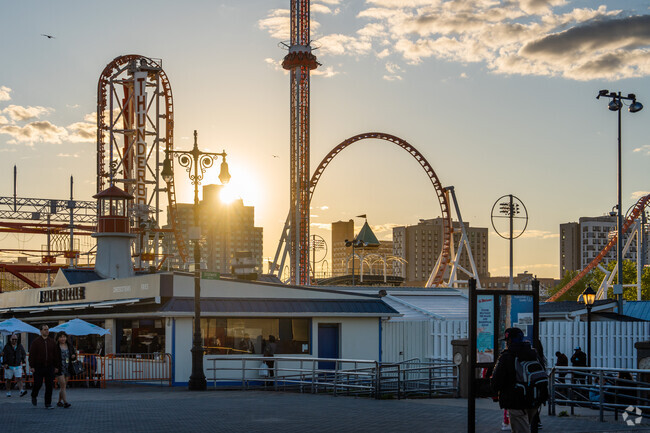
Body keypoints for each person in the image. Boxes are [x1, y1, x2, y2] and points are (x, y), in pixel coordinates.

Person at [491, 328, 542, 433]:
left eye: (507, 341)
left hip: (515, 401)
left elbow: (496, 381)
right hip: (533, 400)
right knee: (525, 427)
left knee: (520, 430)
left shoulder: (506, 356)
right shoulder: (533, 354)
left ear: (509, 341)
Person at [29, 324, 59, 409]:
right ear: (41, 331)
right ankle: (34, 395)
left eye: (47, 329)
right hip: (38, 367)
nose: (47, 331)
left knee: (49, 385)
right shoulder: (36, 342)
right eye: (45, 329)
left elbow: (55, 354)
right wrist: (32, 366)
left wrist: (56, 366)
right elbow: (32, 355)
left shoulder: (52, 341)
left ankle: (48, 403)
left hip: (49, 366)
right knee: (38, 384)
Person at [54, 331, 76, 408]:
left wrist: (73, 356)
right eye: (61, 337)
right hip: (59, 368)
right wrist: (55, 367)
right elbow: (53, 358)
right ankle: (65, 402)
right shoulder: (56, 347)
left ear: (66, 338)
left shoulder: (69, 346)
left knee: (63, 386)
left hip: (68, 367)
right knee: (63, 385)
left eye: (64, 337)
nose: (62, 338)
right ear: (58, 338)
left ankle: (59, 401)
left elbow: (74, 355)